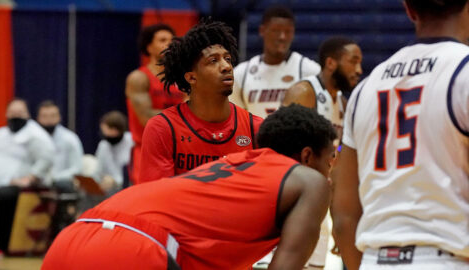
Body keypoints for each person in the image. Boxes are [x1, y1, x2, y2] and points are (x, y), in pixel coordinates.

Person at [42, 104, 336, 270]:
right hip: (138, 246)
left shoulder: (231, 164)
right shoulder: (309, 180)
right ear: (308, 156)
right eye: (331, 159)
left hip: (74, 235)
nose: (331, 170)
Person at [331, 1, 469, 269]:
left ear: (409, 9)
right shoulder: (463, 72)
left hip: (374, 259)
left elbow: (344, 216)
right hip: (449, 258)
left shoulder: (366, 88)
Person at [138, 20, 263, 183]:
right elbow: (155, 199)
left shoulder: (256, 129)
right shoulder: (163, 129)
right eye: (213, 60)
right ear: (191, 77)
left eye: (227, 58)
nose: (226, 66)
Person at [281, 36, 362, 270]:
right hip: (294, 207)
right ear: (331, 63)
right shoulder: (304, 92)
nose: (358, 69)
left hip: (319, 205)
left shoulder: (344, 104)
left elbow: (337, 169)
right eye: (353, 61)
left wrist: (339, 223)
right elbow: (284, 155)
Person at [230, 6, 320, 118]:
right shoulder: (241, 73)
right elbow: (234, 119)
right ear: (262, 31)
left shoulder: (310, 70)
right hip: (255, 135)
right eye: (276, 31)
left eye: (288, 31)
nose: (282, 37)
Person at [0, 98, 55, 253]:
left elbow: (46, 159)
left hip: (20, 186)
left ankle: (5, 246)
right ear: (6, 114)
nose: (15, 116)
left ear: (27, 115)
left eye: (19, 113)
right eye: (12, 113)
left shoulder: (36, 135)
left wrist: (31, 177)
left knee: (4, 197)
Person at [125, 23, 185, 185]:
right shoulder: (139, 78)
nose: (169, 44)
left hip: (177, 151)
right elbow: (147, 118)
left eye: (172, 40)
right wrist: (185, 118)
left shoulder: (182, 79)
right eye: (162, 40)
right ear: (149, 47)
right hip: (147, 152)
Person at [37, 100, 84, 193]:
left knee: (62, 185)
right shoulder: (32, 139)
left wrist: (55, 178)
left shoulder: (70, 138)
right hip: (37, 182)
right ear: (38, 118)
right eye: (45, 116)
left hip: (62, 183)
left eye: (53, 116)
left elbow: (77, 168)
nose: (49, 120)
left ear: (59, 117)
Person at [95, 111, 134, 193]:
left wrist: (115, 181)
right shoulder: (103, 145)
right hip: (107, 187)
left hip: (128, 187)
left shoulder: (132, 142)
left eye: (107, 130)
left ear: (115, 130)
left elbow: (133, 173)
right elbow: (98, 171)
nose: (104, 134)